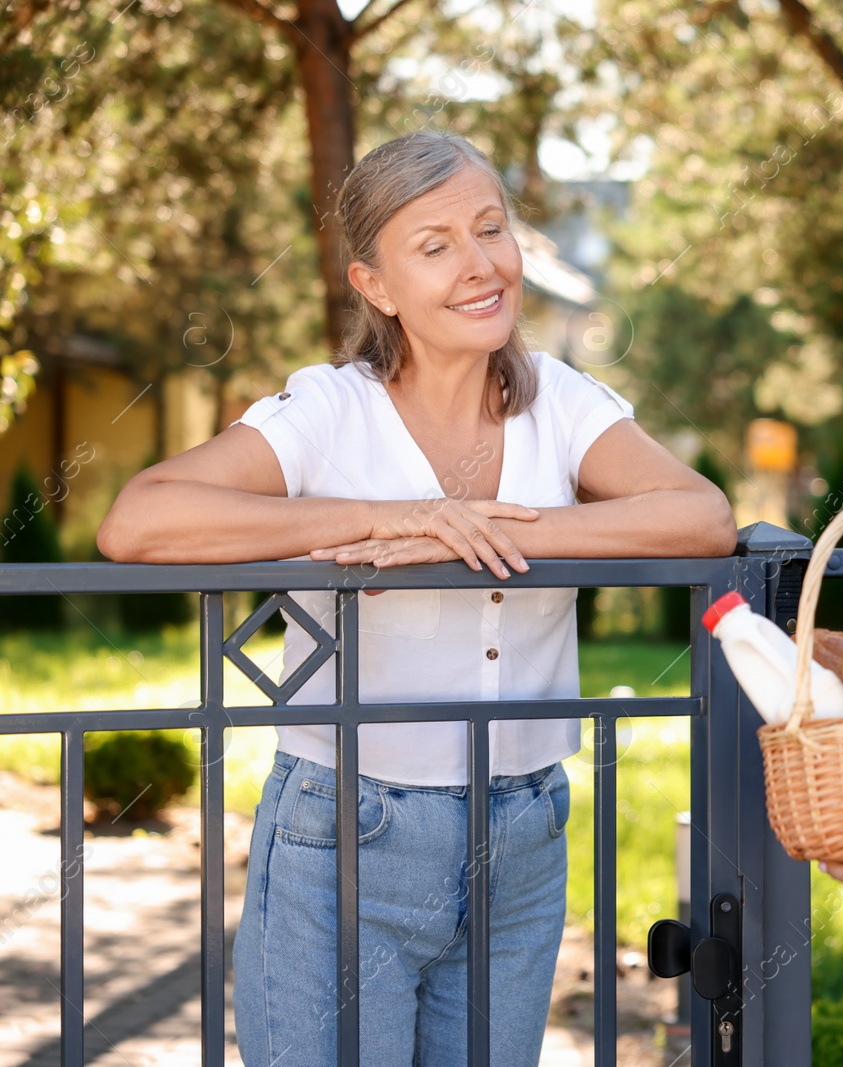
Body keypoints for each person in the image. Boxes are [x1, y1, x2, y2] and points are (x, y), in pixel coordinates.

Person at [97, 130, 737, 1066]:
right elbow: (138, 520)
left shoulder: (558, 400)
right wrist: (390, 517)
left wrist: (490, 526)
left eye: (492, 229)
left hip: (523, 832)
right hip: (345, 837)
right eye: (434, 246)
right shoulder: (327, 408)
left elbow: (703, 516)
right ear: (377, 286)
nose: (481, 265)